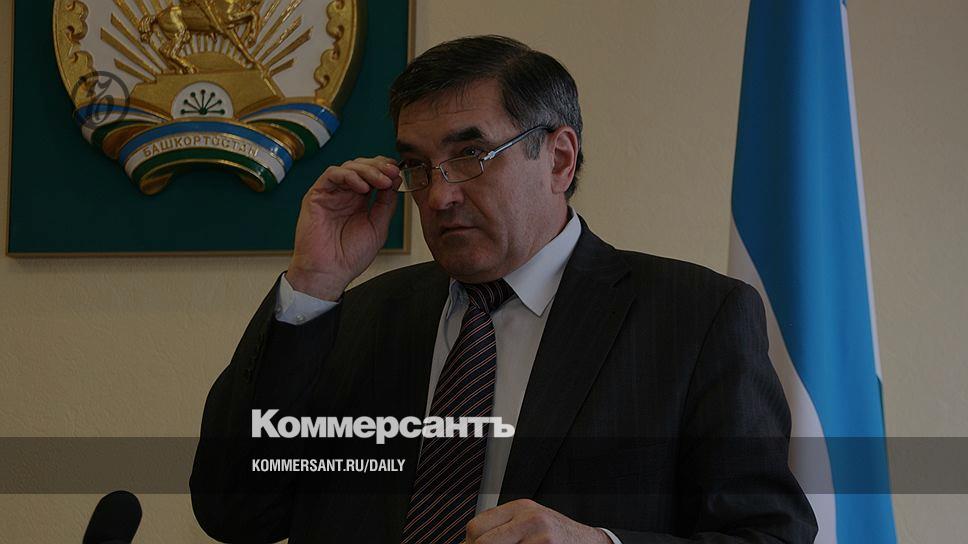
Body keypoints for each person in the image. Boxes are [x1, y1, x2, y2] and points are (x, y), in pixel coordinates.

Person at [190, 35, 817, 544]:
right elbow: (236, 512)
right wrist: (313, 283)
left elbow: (770, 535)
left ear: (559, 159)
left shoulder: (694, 318)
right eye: (417, 166)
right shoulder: (355, 316)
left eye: (472, 156)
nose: (440, 196)